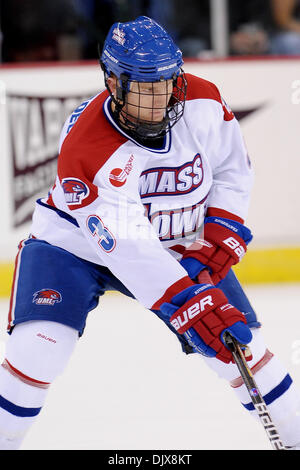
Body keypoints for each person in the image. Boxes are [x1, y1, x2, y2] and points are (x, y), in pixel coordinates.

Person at [1, 16, 300, 450]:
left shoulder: (201, 100)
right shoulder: (88, 149)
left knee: (244, 351)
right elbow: (130, 249)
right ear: (113, 82)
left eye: (166, 82)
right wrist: (190, 304)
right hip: (73, 247)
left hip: (176, 243)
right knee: (38, 349)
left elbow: (232, 172)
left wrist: (215, 239)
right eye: (145, 86)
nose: (160, 98)